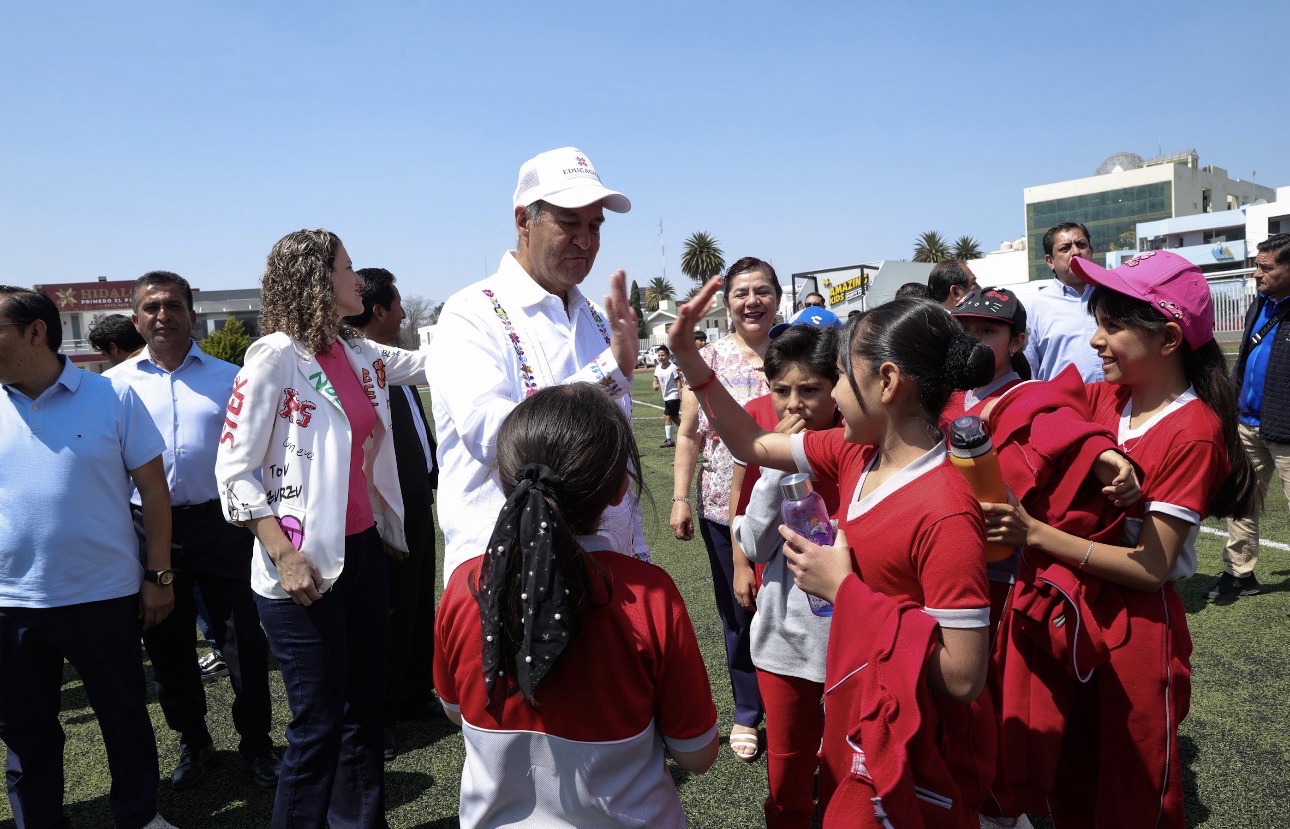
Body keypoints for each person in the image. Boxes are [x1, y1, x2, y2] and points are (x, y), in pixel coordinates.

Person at [667, 286, 999, 828]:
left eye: (841, 377)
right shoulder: (856, 453)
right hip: (857, 702)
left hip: (903, 734)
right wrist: (691, 363)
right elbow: (752, 444)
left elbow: (964, 676)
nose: (832, 394)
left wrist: (844, 593)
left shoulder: (945, 509)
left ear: (887, 383)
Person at [982, 250, 1260, 828]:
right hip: (1071, 609)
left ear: (1168, 339)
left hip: (1133, 626)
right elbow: (1029, 402)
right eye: (1097, 322)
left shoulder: (1193, 431)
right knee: (1069, 767)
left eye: (1112, 325)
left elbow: (1151, 568)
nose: (1095, 342)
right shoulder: (1112, 396)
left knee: (1131, 787)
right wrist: (1101, 449)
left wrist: (1039, 534)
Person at [215, 229, 429, 829]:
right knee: (317, 724)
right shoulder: (275, 356)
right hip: (301, 569)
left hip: (363, 555)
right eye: (347, 267)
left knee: (364, 713)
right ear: (316, 278)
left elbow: (439, 364)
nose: (358, 280)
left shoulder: (361, 352)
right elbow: (233, 470)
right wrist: (284, 553)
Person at [434, 383, 719, 828]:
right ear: (619, 487)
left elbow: (455, 710)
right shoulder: (649, 596)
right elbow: (696, 752)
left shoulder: (465, 586)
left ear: (503, 478)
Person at [0, 287, 179, 829]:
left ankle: (138, 815)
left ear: (36, 332)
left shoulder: (111, 398)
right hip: (10, 603)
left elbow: (154, 492)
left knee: (123, 718)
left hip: (102, 595)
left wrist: (159, 575)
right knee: (25, 731)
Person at [430, 146, 642, 583]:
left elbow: (618, 454)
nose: (586, 241)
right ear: (524, 220)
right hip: (510, 579)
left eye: (594, 225)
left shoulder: (597, 322)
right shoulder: (470, 313)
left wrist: (635, 547)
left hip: (604, 569)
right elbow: (495, 438)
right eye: (569, 223)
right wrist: (607, 374)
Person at [106, 271, 278, 791]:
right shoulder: (113, 386)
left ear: (191, 313)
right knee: (167, 646)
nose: (163, 315)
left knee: (243, 641)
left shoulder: (232, 378)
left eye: (173, 305)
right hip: (146, 529)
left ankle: (257, 745)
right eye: (151, 307)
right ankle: (193, 740)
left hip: (223, 523)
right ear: (136, 319)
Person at [729, 323, 840, 828]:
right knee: (789, 774)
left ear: (839, 386)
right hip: (786, 641)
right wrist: (779, 465)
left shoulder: (859, 450)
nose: (794, 405)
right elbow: (754, 541)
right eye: (782, 391)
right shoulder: (768, 448)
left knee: (847, 772)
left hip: (851, 643)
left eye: (811, 390)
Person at [670, 256, 779, 761]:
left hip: (796, 511)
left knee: (799, 609)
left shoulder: (802, 353)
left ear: (777, 297)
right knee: (740, 611)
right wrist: (678, 497)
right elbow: (689, 436)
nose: (752, 301)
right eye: (741, 292)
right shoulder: (706, 360)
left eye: (761, 290)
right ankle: (748, 710)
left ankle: (794, 702)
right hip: (723, 509)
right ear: (727, 302)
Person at [342, 266, 445, 762]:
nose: (404, 312)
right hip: (382, 510)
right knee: (381, 611)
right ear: (378, 310)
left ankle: (411, 691)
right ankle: (377, 711)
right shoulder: (354, 364)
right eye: (398, 305)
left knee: (415, 601)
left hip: (417, 501)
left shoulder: (391, 363)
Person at [944, 287, 1032, 631]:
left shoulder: (1027, 398)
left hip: (1002, 568)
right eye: (965, 330)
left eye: (987, 331)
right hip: (950, 556)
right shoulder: (948, 396)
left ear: (1017, 342)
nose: (972, 341)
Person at [1211, 232, 1290, 601]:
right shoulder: (1260, 304)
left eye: (1265, 268)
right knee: (1240, 499)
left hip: (1285, 429)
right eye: (1257, 266)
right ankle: (1239, 572)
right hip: (1247, 423)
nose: (1256, 274)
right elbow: (1245, 358)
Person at [1022, 222, 1103, 382]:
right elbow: (1029, 369)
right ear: (1050, 261)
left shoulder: (1113, 294)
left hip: (1118, 402)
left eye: (1081, 245)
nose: (1076, 252)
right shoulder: (1034, 307)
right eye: (1065, 248)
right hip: (1062, 405)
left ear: (1091, 251)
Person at [653, 344, 682, 447]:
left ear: (669, 356)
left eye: (663, 355)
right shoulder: (657, 368)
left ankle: (669, 440)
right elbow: (655, 380)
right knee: (675, 418)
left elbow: (678, 381)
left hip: (673, 396)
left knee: (667, 417)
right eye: (659, 355)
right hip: (666, 396)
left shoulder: (673, 367)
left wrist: (680, 393)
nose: (661, 357)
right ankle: (690, 432)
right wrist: (655, 385)